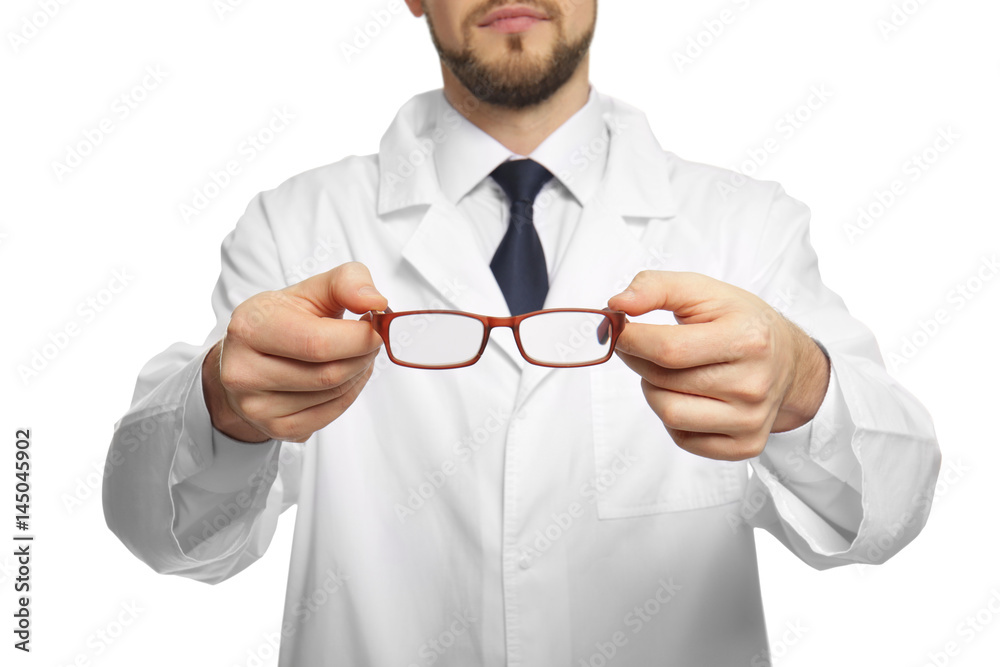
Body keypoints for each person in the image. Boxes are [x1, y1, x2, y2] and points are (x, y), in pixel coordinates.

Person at [102, 1, 941, 664]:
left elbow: (890, 510)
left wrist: (800, 385)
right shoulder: (298, 224)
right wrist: (223, 403)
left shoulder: (745, 225)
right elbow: (164, 533)